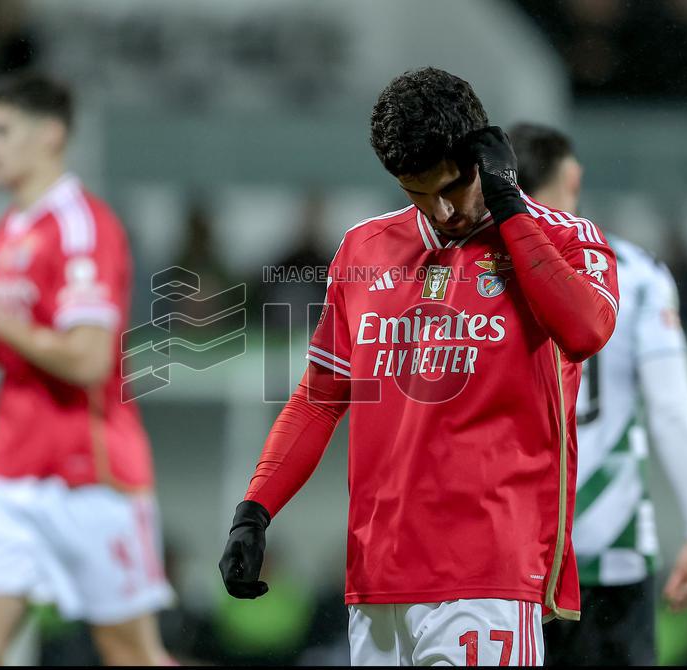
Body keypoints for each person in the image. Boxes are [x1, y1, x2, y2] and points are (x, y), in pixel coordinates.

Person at [218, 67, 621, 666]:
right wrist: (255, 508)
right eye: (415, 191)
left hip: (488, 571)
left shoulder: (564, 240)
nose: (441, 209)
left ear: (485, 155)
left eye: (454, 186)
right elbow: (322, 395)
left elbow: (586, 330)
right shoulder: (363, 249)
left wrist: (510, 208)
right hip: (377, 580)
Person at [0, 73, 174, 666]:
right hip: (9, 475)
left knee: (132, 657)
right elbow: (20, 346)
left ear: (51, 135)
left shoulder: (83, 226)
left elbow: (88, 359)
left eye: (1, 129)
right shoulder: (9, 230)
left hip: (89, 476)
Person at [509, 122, 687, 666]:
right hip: (609, 546)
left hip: (506, 545)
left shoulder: (473, 270)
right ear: (572, 176)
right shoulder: (634, 273)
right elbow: (670, 407)